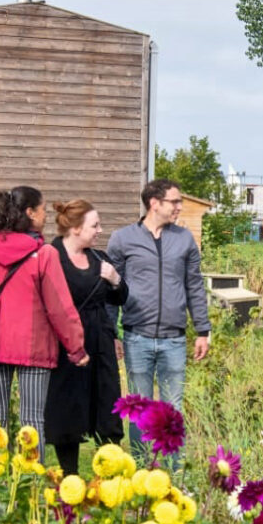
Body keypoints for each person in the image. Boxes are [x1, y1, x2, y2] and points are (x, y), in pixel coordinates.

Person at [0, 186, 88, 446]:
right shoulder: (45, 254)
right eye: (42, 209)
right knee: (32, 422)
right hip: (33, 348)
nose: (46, 216)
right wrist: (76, 347)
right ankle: (32, 473)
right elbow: (59, 308)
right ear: (30, 213)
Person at [107, 179, 211, 460]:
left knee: (173, 410)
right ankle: (141, 471)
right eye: (174, 201)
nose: (179, 207)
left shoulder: (184, 239)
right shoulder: (122, 239)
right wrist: (112, 333)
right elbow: (111, 290)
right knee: (138, 409)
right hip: (136, 337)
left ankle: (176, 474)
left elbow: (194, 285)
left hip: (174, 339)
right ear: (154, 203)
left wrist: (202, 330)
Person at [44, 200, 128, 477]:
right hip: (65, 345)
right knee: (68, 410)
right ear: (76, 228)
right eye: (95, 226)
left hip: (100, 343)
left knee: (107, 406)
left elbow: (120, 297)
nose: (100, 230)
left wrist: (115, 279)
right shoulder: (51, 257)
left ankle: (110, 479)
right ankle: (69, 480)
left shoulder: (99, 258)